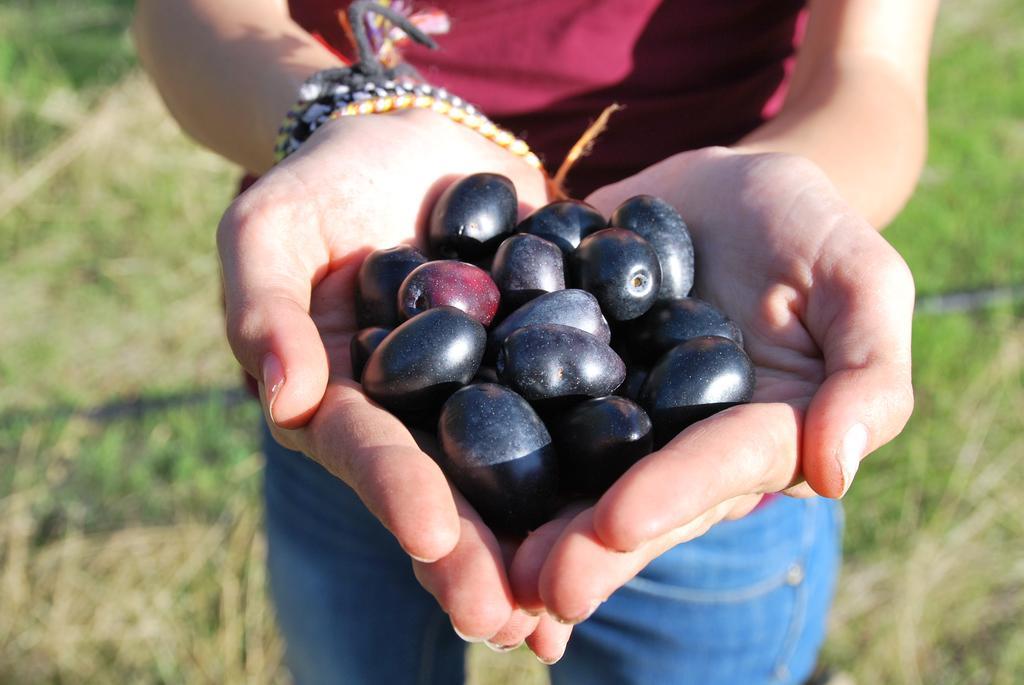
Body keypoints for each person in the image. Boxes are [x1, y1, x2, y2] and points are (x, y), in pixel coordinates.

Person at [133, 0, 938, 682]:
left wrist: (789, 183)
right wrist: (340, 117)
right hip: (339, 389)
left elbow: (872, 76)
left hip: (719, 476)